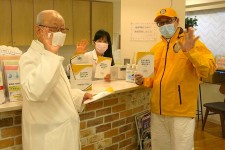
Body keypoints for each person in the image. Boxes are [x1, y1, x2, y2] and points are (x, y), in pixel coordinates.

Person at [135, 8, 216, 150]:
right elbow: (153, 77)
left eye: (168, 21)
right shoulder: (156, 48)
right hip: (158, 111)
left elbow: (208, 69)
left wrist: (190, 52)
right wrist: (143, 80)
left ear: (177, 21)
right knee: (159, 147)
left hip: (181, 112)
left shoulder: (190, 43)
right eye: (160, 23)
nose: (164, 25)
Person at [19, 10, 92, 150]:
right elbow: (35, 92)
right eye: (54, 28)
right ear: (38, 30)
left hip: (63, 134)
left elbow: (59, 92)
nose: (59, 33)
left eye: (62, 29)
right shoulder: (28, 58)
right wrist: (51, 55)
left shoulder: (51, 56)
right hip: (48, 138)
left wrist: (79, 96)